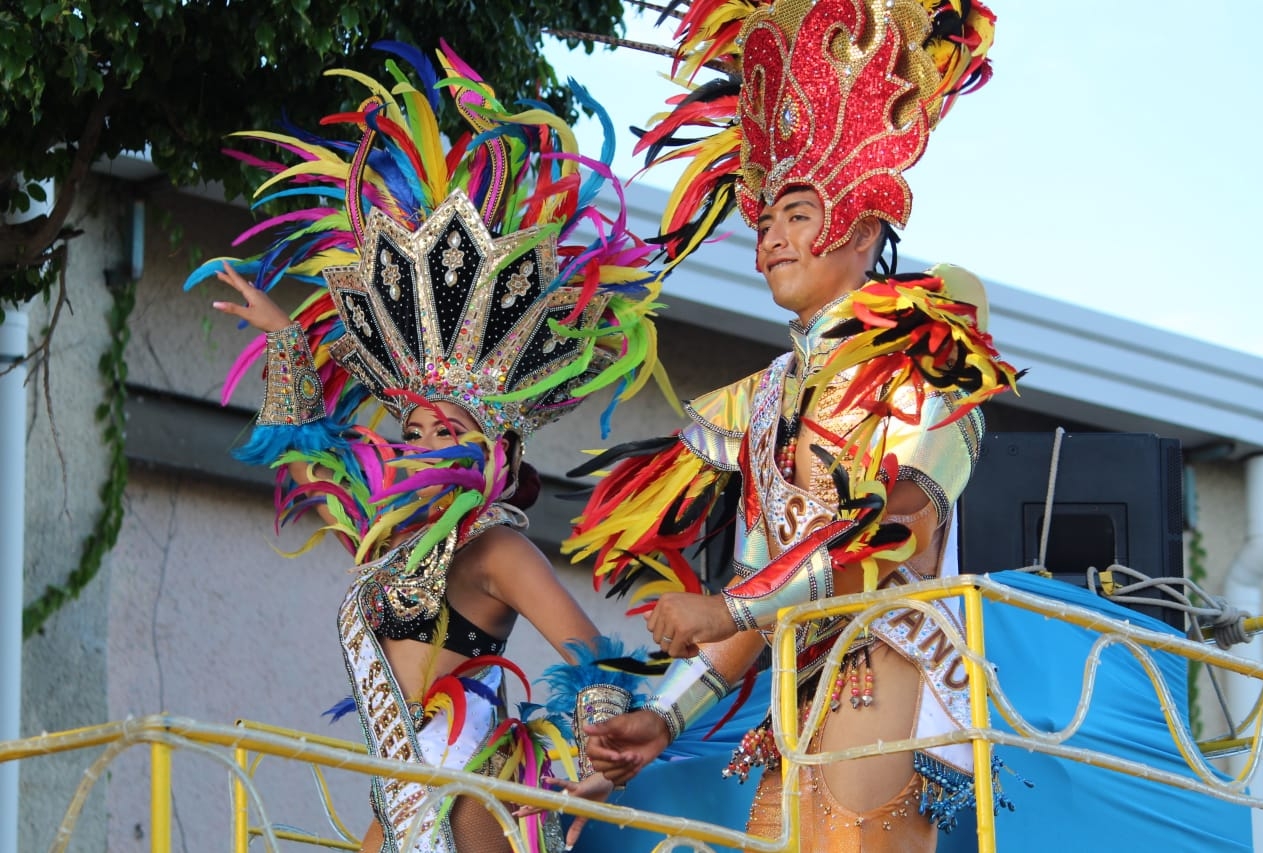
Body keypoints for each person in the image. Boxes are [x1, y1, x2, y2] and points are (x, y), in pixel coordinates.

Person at [563, 1, 1021, 850]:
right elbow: (752, 602)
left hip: (887, 667)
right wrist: (663, 716)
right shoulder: (765, 400)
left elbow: (890, 524)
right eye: (764, 218)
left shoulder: (925, 351)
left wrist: (726, 606)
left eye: (798, 213)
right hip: (800, 692)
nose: (770, 237)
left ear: (865, 221)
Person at [187, 41, 659, 853]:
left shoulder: (495, 547)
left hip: (472, 794)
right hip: (399, 798)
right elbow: (309, 463)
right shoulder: (388, 543)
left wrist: (594, 758)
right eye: (414, 428)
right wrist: (288, 345)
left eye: (451, 430)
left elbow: (593, 657)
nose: (427, 441)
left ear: (494, 448)